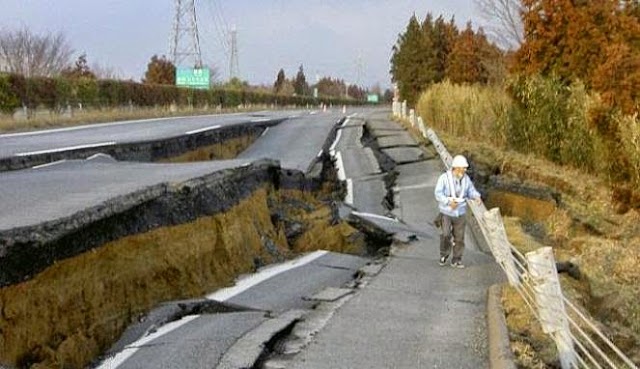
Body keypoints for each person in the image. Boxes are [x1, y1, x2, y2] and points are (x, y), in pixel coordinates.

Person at [434, 155, 482, 268]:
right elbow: (438, 193)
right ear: (456, 167)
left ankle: (456, 259)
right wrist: (448, 202)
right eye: (463, 168)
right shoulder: (444, 178)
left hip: (460, 212)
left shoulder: (466, 179)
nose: (465, 170)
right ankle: (444, 254)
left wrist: (476, 196)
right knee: (446, 234)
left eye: (465, 168)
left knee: (459, 238)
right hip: (446, 212)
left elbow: (471, 191)